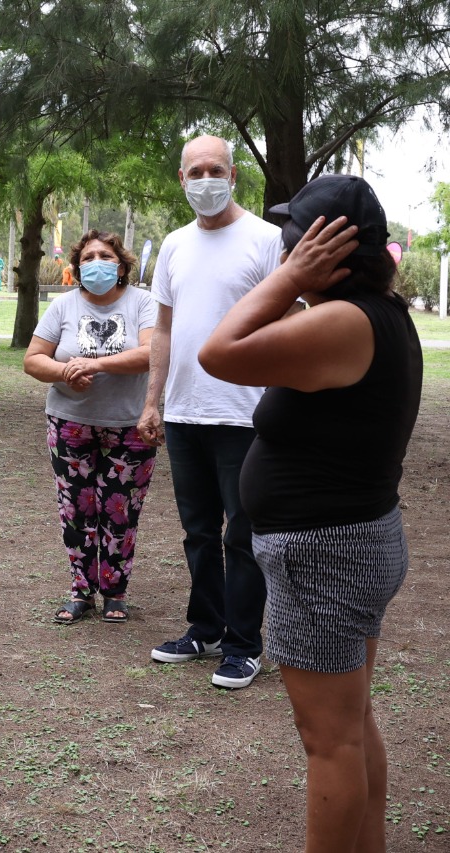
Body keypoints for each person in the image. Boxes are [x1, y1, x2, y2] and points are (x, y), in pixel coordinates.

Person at [198, 174, 421, 853]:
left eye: (293, 240)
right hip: (354, 541)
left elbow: (217, 351)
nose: (283, 249)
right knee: (351, 724)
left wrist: (288, 278)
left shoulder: (342, 321)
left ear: (321, 251)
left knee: (329, 741)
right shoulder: (376, 313)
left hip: (326, 554)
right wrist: (298, 282)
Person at [137, 134, 282, 690]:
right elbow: (164, 330)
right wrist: (153, 402)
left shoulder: (267, 240)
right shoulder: (175, 245)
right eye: (194, 171)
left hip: (245, 415)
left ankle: (244, 645)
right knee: (197, 531)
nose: (205, 180)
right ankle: (206, 629)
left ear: (233, 174)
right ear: (181, 179)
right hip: (184, 415)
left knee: (242, 535)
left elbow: (288, 321)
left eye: (215, 169)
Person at [24, 230, 156, 624]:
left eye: (105, 256)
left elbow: (151, 353)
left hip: (130, 425)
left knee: (121, 511)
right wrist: (64, 371)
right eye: (88, 257)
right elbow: (33, 359)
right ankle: (81, 592)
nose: (96, 262)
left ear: (121, 266)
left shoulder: (142, 302)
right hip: (70, 424)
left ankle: (115, 593)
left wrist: (94, 364)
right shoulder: (63, 306)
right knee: (76, 510)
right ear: (78, 268)